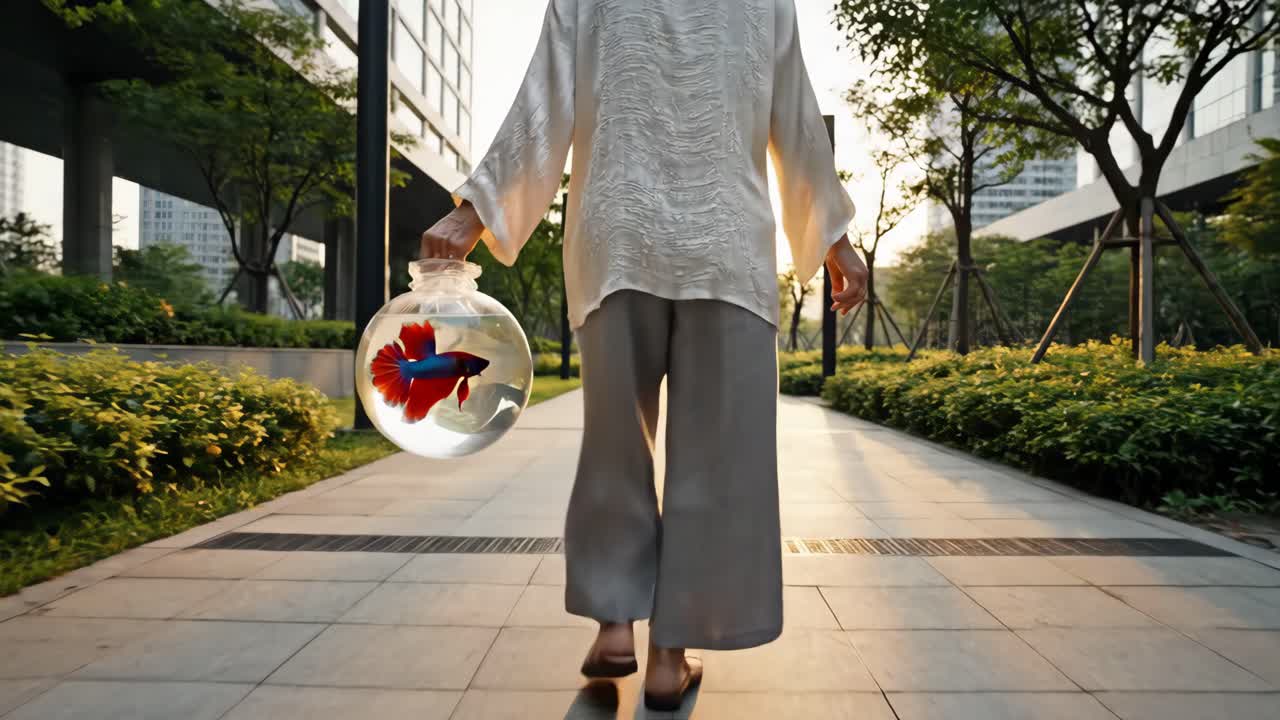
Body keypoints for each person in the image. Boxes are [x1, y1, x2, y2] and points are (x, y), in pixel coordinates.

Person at [420, 0, 867, 710]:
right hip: (726, 246)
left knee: (613, 445)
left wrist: (474, 213)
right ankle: (668, 656)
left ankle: (616, 627)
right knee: (715, 460)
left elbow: (546, 94)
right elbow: (796, 119)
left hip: (618, 234)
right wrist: (836, 240)